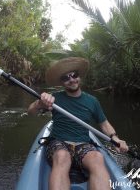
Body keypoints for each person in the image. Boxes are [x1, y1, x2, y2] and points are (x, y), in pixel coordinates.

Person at [28, 57, 129, 190]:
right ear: (62, 83)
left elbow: (104, 123)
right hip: (59, 141)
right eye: (66, 78)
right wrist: (39, 103)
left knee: (97, 158)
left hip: (83, 144)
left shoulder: (92, 101)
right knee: (62, 156)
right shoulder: (54, 98)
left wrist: (115, 138)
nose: (71, 79)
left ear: (79, 77)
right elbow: (31, 112)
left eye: (74, 75)